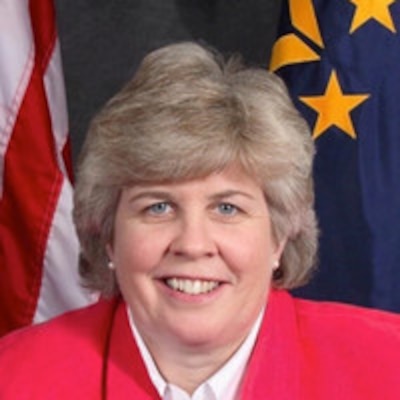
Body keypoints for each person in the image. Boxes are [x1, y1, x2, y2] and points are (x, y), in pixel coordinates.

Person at [0, 42, 399, 400]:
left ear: (278, 237)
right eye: (158, 207)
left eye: (227, 208)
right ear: (108, 236)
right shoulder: (13, 379)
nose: (192, 244)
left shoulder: (389, 368)